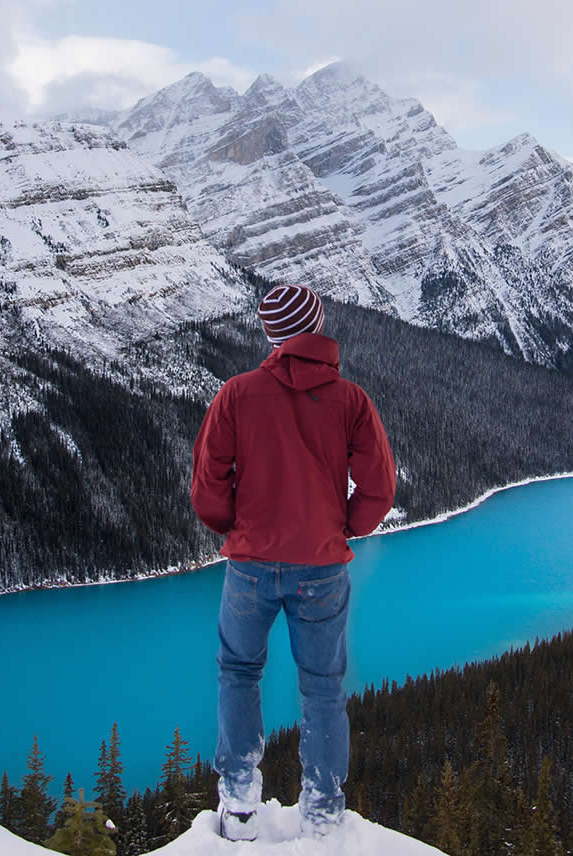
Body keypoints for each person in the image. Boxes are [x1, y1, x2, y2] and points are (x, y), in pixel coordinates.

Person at [190, 283, 396, 840]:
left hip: (250, 564)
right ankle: (323, 814)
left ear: (272, 336)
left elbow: (208, 482)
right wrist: (347, 526)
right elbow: (379, 485)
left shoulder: (236, 394)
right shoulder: (350, 400)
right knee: (323, 687)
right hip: (322, 568)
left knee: (238, 672)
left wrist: (233, 526)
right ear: (317, 327)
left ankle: (237, 805)